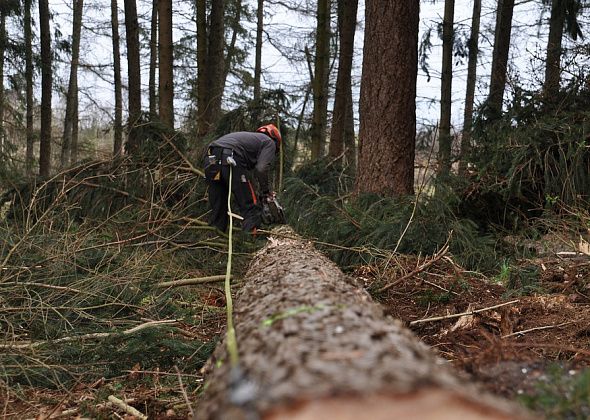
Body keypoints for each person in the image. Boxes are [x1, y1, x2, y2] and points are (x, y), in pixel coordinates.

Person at [203, 124, 282, 234]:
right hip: (230, 158)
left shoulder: (249, 140)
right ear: (276, 140)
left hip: (211, 159)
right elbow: (261, 169)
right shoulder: (269, 142)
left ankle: (214, 245)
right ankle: (249, 245)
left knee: (218, 209)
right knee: (251, 208)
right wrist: (266, 192)